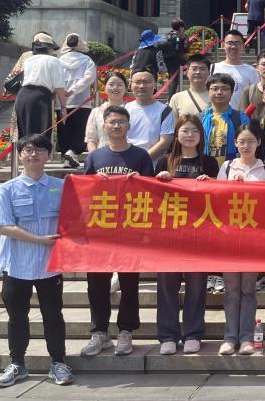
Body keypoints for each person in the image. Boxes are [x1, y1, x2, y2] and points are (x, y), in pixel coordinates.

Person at [0, 134, 73, 388]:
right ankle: (17, 364)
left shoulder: (62, 187)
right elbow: (3, 226)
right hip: (17, 266)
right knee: (17, 317)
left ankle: (58, 363)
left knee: (53, 315)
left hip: (50, 267)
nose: (33, 154)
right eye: (27, 149)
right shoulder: (6, 190)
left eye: (39, 149)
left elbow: (77, 218)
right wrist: (39, 240)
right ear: (19, 155)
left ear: (48, 155)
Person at [81, 106, 154, 358]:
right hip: (100, 231)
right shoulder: (95, 157)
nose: (116, 126)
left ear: (128, 126)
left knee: (129, 283)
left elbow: (152, 192)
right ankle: (99, 332)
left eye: (121, 122)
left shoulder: (141, 156)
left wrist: (139, 181)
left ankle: (126, 331)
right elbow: (83, 193)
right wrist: (95, 182)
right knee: (97, 284)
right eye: (112, 122)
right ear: (104, 126)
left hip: (130, 230)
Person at [154, 114, 218, 356]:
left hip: (198, 235)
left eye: (194, 131)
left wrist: (211, 183)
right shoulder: (164, 161)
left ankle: (193, 333)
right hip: (168, 235)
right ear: (176, 135)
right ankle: (167, 335)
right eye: (185, 131)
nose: (189, 135)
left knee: (197, 286)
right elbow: (153, 197)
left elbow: (218, 198)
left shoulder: (209, 162)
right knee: (167, 286)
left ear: (201, 136)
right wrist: (160, 180)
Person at [215, 122, 265, 355]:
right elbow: (215, 198)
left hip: (254, 237)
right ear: (235, 143)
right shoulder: (227, 167)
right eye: (242, 141)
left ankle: (246, 337)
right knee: (231, 289)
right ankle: (229, 337)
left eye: (251, 141)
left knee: (248, 289)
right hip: (229, 236)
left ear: (259, 143)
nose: (246, 146)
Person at [14, 33, 68, 139]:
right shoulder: (53, 61)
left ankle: (26, 149)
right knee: (41, 133)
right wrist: (63, 106)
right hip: (40, 97)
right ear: (49, 48)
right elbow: (59, 87)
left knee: (25, 132)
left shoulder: (28, 60)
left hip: (22, 96)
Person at [57, 33, 96, 168]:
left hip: (61, 102)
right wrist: (74, 90)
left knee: (64, 131)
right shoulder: (87, 60)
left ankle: (66, 158)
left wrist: (65, 92)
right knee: (81, 130)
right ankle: (72, 152)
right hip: (82, 102)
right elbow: (89, 78)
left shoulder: (59, 61)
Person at [124, 68, 175, 166]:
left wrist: (141, 161)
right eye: (137, 82)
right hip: (126, 164)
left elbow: (165, 142)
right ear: (130, 85)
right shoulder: (124, 109)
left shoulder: (165, 111)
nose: (142, 86)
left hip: (153, 167)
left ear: (155, 85)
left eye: (146, 82)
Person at [200, 73, 251, 166]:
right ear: (208, 91)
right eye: (215, 89)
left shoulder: (241, 118)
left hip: (233, 169)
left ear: (232, 92)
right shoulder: (199, 118)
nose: (219, 92)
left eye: (225, 89)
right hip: (203, 169)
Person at [212, 30, 259, 110]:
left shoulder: (251, 71)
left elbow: (255, 99)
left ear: (243, 46)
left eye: (237, 43)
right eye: (230, 43)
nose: (233, 46)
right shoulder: (213, 68)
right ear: (223, 45)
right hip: (217, 115)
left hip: (241, 116)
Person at [85, 71, 128, 152]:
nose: (115, 87)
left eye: (119, 84)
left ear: (125, 88)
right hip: (102, 156)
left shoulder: (131, 109)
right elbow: (91, 140)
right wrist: (95, 157)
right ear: (104, 88)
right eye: (111, 84)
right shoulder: (96, 112)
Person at [168, 54, 211, 119]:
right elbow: (173, 124)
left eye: (202, 69)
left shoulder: (215, 96)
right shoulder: (177, 98)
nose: (198, 72)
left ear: (209, 73)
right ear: (187, 72)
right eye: (194, 69)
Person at [160, 19, 188, 92]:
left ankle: (170, 93)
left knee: (170, 77)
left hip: (167, 59)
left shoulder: (167, 35)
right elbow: (186, 48)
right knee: (175, 79)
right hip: (177, 60)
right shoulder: (183, 36)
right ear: (181, 27)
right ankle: (171, 96)